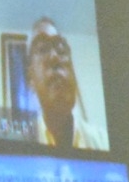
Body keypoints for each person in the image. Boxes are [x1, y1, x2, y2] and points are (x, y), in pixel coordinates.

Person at [24, 17, 101, 149]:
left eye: (61, 49)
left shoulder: (102, 141)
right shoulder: (20, 146)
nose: (55, 56)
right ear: (31, 80)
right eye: (42, 49)